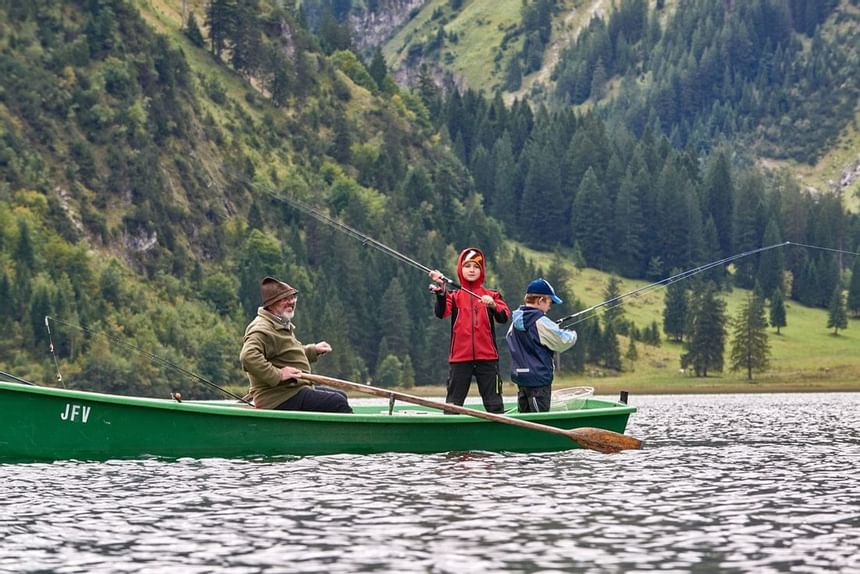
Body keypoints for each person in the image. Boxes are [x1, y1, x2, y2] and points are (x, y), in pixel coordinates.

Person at [240, 276, 352, 413]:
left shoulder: (279, 323)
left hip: (293, 390)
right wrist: (278, 374)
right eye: (285, 299)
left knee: (342, 396)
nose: (291, 302)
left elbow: (287, 354)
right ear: (271, 304)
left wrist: (313, 350)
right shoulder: (262, 328)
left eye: (293, 297)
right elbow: (248, 357)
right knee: (337, 402)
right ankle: (355, 434)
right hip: (278, 397)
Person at [428, 247, 510, 413]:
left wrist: (493, 305)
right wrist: (441, 292)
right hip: (459, 359)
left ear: (482, 271)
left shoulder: (492, 295)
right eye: (467, 266)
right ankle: (450, 435)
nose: (472, 270)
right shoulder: (453, 296)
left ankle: (498, 435)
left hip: (487, 358)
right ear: (460, 269)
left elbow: (504, 317)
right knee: (452, 406)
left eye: (476, 267)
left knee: (494, 405)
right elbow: (441, 313)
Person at [505, 278, 577, 413]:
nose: (550, 307)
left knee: (525, 419)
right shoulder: (541, 321)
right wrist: (572, 334)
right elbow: (562, 341)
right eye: (550, 302)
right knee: (539, 422)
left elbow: (510, 339)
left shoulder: (514, 322)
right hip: (539, 381)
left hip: (521, 378)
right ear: (540, 300)